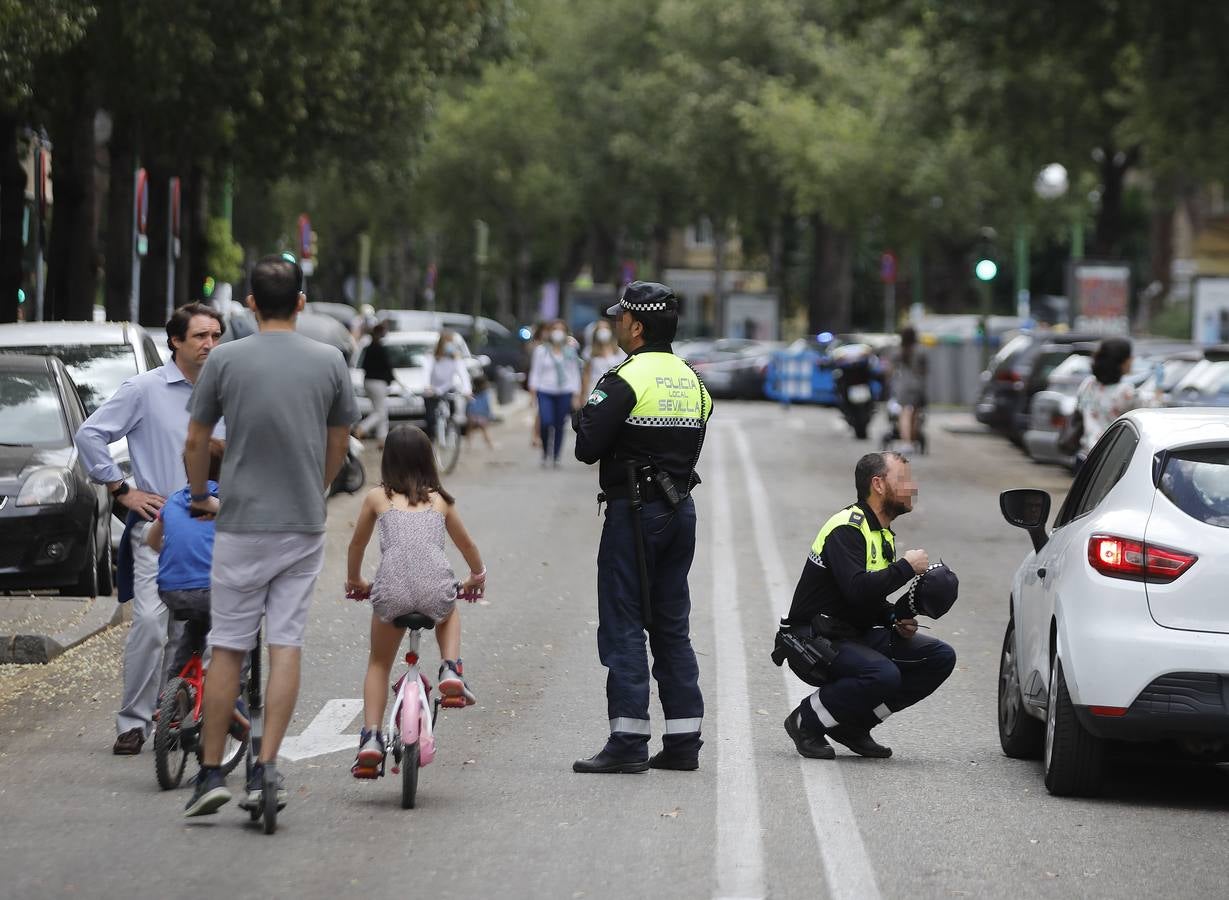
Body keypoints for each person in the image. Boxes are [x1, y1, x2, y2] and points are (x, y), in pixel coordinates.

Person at [182, 254, 358, 818]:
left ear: (251, 304)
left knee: (229, 645)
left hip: (238, 524)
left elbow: (196, 439)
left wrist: (200, 495)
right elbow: (340, 440)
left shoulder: (224, 360)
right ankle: (265, 769)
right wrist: (321, 487)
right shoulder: (329, 361)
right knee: (285, 643)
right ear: (301, 302)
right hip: (301, 525)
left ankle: (211, 771)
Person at [571, 281, 713, 774]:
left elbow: (587, 445)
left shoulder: (624, 377)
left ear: (636, 325)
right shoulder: (693, 381)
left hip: (634, 512)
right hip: (680, 511)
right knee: (672, 625)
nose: (614, 325)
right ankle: (682, 742)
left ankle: (628, 741)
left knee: (624, 623)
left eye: (619, 319)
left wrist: (585, 413)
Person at [74, 301, 225, 755]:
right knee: (150, 625)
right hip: (158, 527)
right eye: (200, 336)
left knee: (206, 630)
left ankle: (183, 713)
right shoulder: (145, 389)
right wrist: (122, 489)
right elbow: (90, 434)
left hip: (219, 531)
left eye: (216, 335)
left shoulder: (230, 392)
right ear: (176, 341)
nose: (210, 344)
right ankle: (133, 722)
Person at [780, 451, 956, 760]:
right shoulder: (847, 528)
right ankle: (805, 720)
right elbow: (856, 590)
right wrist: (905, 567)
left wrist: (893, 618)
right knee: (883, 674)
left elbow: (869, 601)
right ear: (878, 484)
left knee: (939, 657)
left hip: (849, 634)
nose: (912, 487)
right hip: (813, 638)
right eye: (903, 479)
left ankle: (853, 724)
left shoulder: (880, 532)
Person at [344, 425, 487, 778]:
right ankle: (451, 667)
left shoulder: (377, 498)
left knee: (379, 664)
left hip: (391, 592)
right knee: (449, 608)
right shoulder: (440, 500)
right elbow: (467, 545)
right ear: (429, 459)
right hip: (433, 589)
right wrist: (476, 578)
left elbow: (357, 545)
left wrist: (355, 581)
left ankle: (372, 738)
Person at [1073, 337, 1149, 466]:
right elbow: (1150, 410)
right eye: (1130, 356)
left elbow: (1080, 410)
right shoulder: (1125, 391)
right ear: (1122, 362)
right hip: (1111, 460)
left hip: (1085, 456)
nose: (1133, 360)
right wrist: (1159, 389)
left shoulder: (1088, 384)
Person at [529, 319, 583, 468]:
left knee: (560, 424)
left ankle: (556, 456)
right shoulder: (541, 351)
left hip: (564, 392)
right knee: (546, 422)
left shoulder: (570, 351)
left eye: (561, 329)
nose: (558, 333)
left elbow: (574, 373)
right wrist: (532, 392)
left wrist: (576, 394)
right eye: (555, 329)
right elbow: (535, 372)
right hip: (545, 391)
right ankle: (546, 451)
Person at [424, 330, 473, 439]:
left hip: (447, 388)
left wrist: (467, 391)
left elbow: (463, 374)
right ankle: (431, 442)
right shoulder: (432, 357)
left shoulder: (455, 358)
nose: (451, 346)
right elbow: (426, 371)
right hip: (433, 390)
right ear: (442, 343)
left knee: (452, 412)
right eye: (448, 342)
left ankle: (450, 431)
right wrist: (427, 386)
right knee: (430, 419)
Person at [355, 321, 394, 450]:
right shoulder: (380, 349)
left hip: (368, 382)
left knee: (381, 411)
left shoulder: (369, 348)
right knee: (380, 412)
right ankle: (361, 429)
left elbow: (364, 366)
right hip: (378, 383)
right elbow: (387, 367)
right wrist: (390, 379)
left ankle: (382, 440)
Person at [888, 326, 927, 450]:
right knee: (915, 413)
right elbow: (925, 371)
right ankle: (913, 438)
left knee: (904, 413)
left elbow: (890, 370)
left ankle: (906, 441)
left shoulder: (899, 351)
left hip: (903, 386)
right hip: (918, 386)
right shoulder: (921, 352)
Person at [582, 318, 626, 397]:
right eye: (600, 328)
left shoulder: (620, 350)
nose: (603, 331)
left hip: (615, 389)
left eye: (605, 328)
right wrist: (583, 395)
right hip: (595, 390)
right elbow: (586, 375)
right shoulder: (589, 351)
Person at [466, 373, 495, 449]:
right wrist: (489, 415)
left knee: (470, 430)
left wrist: (468, 414)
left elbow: (469, 405)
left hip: (472, 415)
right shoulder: (485, 394)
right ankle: (490, 444)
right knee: (485, 431)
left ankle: (469, 444)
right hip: (482, 415)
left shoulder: (472, 393)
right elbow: (487, 405)